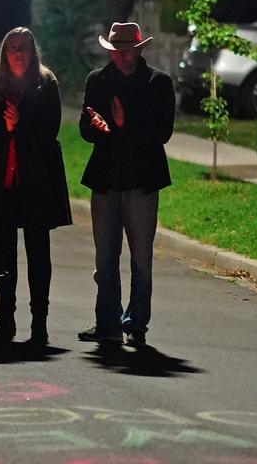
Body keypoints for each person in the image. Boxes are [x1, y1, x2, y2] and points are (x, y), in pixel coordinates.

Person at [0, 27, 72, 345]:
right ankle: (6, 319)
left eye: (23, 47)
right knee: (4, 254)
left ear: (32, 51)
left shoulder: (45, 84)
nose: (18, 53)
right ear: (4, 53)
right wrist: (5, 127)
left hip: (36, 181)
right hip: (2, 183)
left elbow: (50, 131)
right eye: (12, 47)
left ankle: (39, 322)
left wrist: (20, 125)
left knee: (38, 253)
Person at [77, 21, 175, 347]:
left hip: (141, 181)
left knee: (140, 258)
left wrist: (123, 124)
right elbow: (85, 129)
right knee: (105, 257)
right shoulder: (98, 80)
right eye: (116, 50)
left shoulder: (157, 83)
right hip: (105, 180)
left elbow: (162, 132)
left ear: (138, 49)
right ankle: (107, 321)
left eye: (127, 50)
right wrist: (97, 126)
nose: (122, 56)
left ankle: (136, 324)